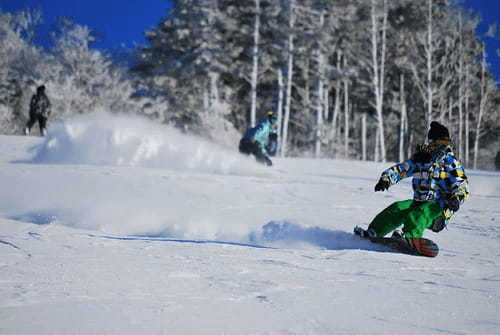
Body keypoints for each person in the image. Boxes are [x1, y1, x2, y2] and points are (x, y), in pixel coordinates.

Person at [354, 121, 469, 242]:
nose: (434, 145)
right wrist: (387, 178)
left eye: (439, 142)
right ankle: (374, 231)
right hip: (419, 202)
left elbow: (461, 184)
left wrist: (457, 198)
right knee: (398, 207)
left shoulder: (450, 162)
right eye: (432, 142)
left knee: (420, 213)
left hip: (439, 209)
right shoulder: (422, 159)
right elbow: (403, 169)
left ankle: (409, 237)